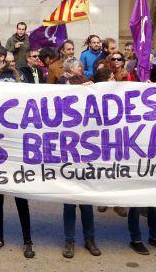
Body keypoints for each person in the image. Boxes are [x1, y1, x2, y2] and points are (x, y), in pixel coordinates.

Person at [0, 48, 34, 258]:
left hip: (16, 145)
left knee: (21, 197)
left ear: (2, 58)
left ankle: (27, 241)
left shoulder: (16, 75)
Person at [127, 64, 156, 256]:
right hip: (137, 158)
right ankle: (135, 239)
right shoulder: (140, 97)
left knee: (154, 202)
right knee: (136, 204)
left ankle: (155, 236)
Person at [61, 63, 101, 260]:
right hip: (68, 161)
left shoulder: (89, 109)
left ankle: (90, 239)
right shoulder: (61, 108)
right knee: (69, 204)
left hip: (85, 161)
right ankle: (69, 241)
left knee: (86, 203)